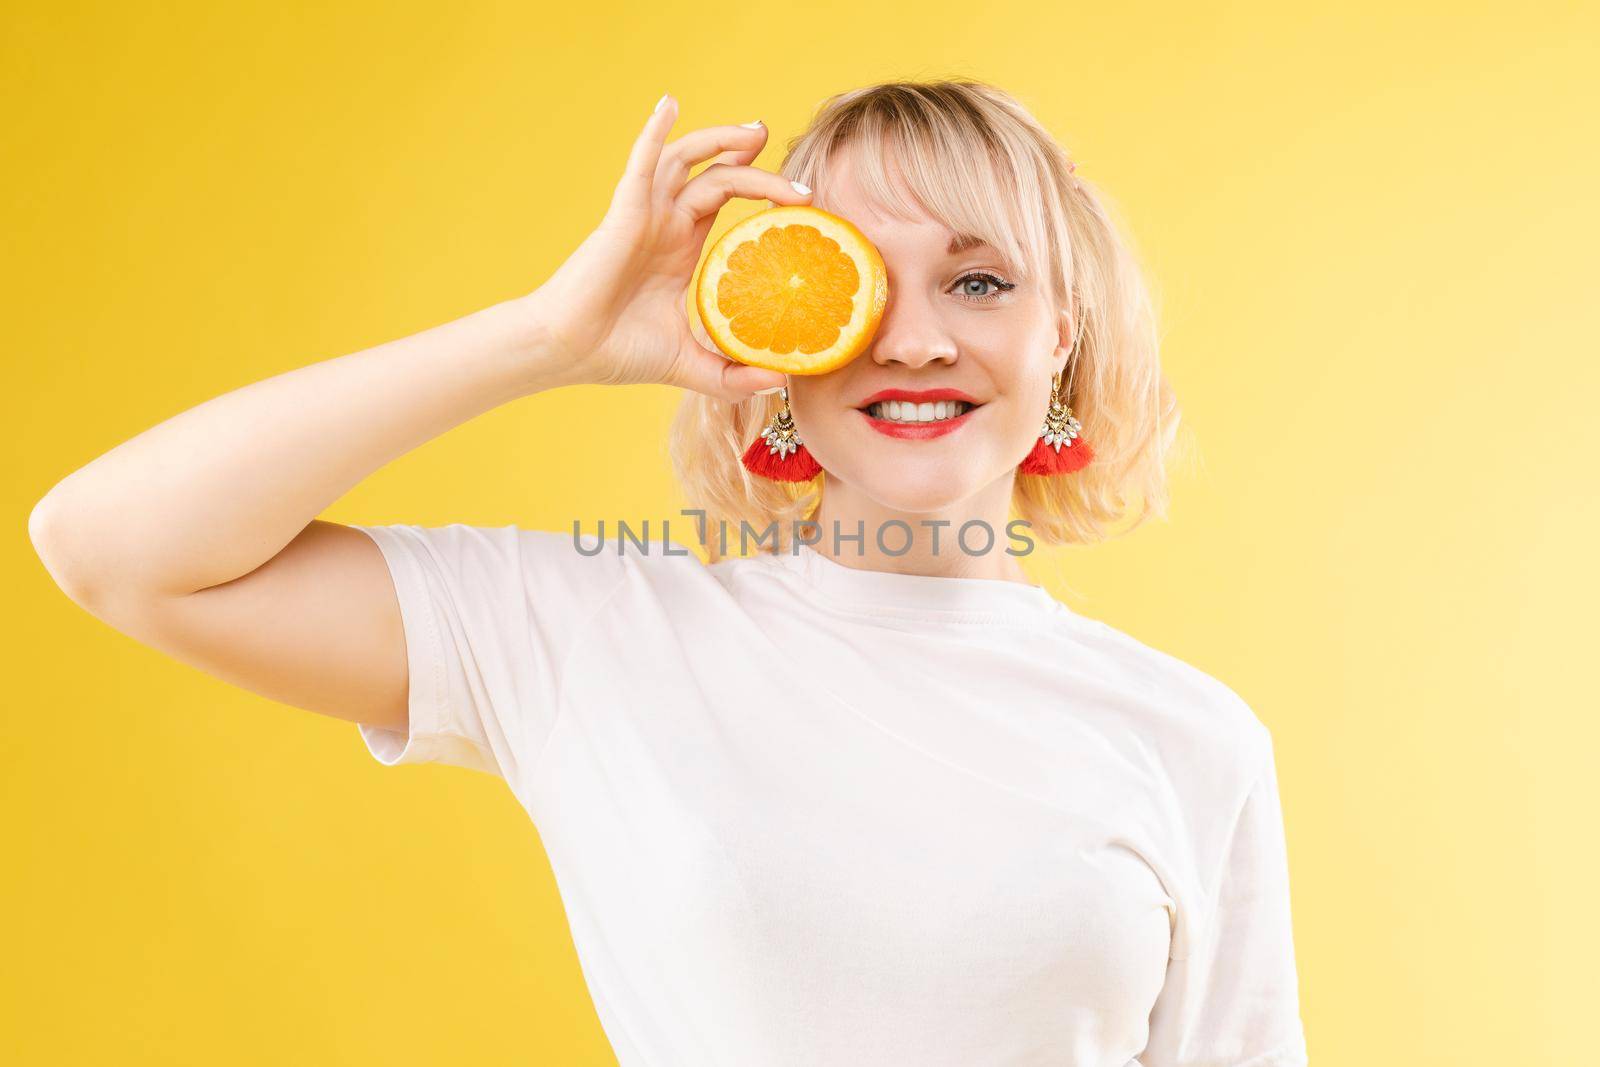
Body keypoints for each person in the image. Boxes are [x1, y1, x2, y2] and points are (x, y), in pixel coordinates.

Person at [29, 78, 1309, 1066]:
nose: (915, 341)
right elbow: (111, 547)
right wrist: (549, 335)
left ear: (1059, 336)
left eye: (979, 281)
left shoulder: (1191, 737)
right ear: (785, 330)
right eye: (857, 284)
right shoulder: (594, 629)